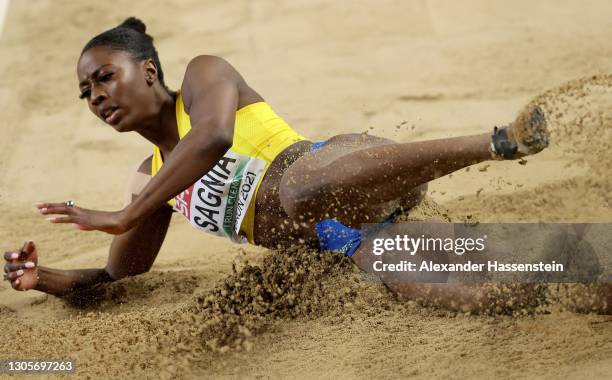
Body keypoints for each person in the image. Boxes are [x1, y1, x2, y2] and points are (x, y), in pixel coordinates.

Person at [3, 17, 552, 312]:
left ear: (148, 71)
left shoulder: (202, 75)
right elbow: (117, 275)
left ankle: (500, 142)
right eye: (85, 93)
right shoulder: (150, 181)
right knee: (489, 286)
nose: (96, 96)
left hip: (347, 165)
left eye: (104, 76)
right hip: (350, 234)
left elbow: (214, 137)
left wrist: (123, 215)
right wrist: (41, 278)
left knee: (299, 188)